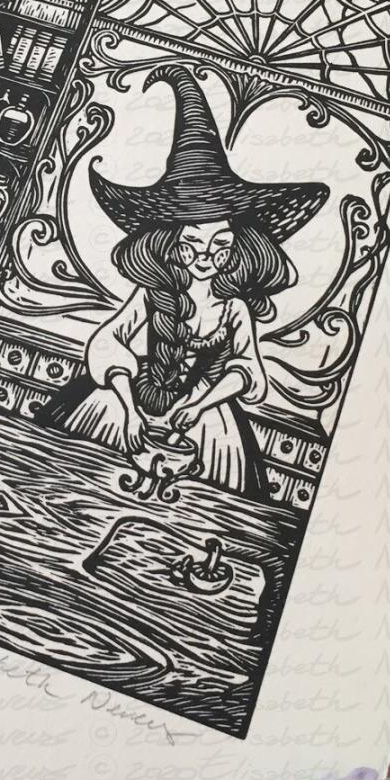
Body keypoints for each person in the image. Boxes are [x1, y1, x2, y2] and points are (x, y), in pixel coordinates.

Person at [39, 65, 329, 501]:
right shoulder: (151, 294)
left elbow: (248, 372)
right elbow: (108, 341)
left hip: (206, 424)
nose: (206, 256)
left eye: (221, 244)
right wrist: (127, 405)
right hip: (125, 406)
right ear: (170, 242)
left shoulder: (234, 309)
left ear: (243, 246)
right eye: (192, 243)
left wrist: (200, 404)